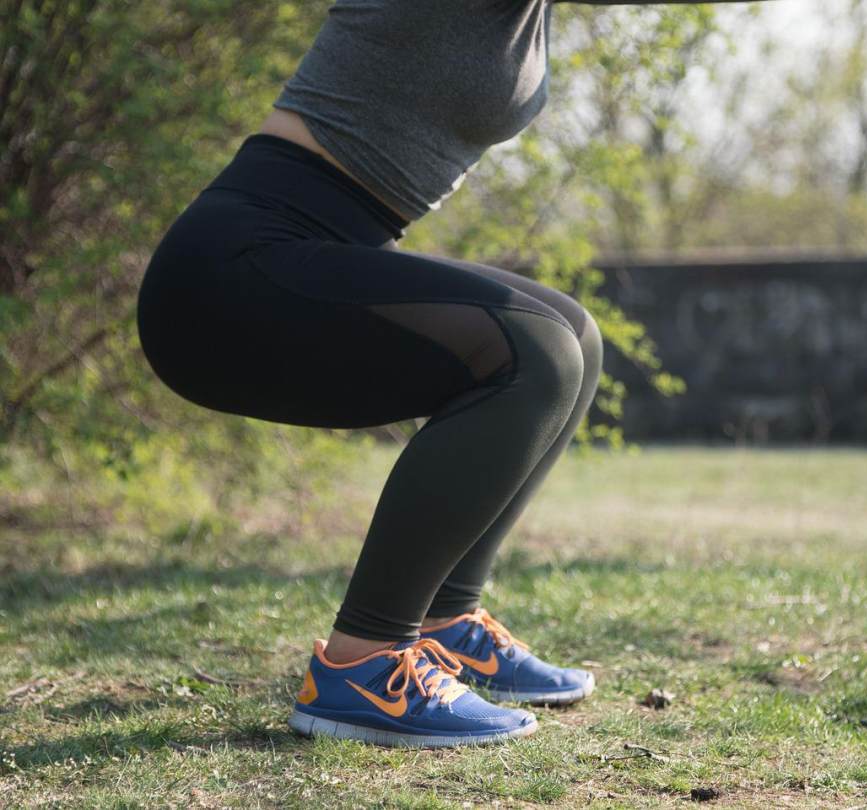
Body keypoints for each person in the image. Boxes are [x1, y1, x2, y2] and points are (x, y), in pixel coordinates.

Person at [136, 0, 742, 749]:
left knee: (575, 340)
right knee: (535, 354)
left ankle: (444, 624)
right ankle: (363, 663)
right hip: (231, 271)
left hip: (304, 250)